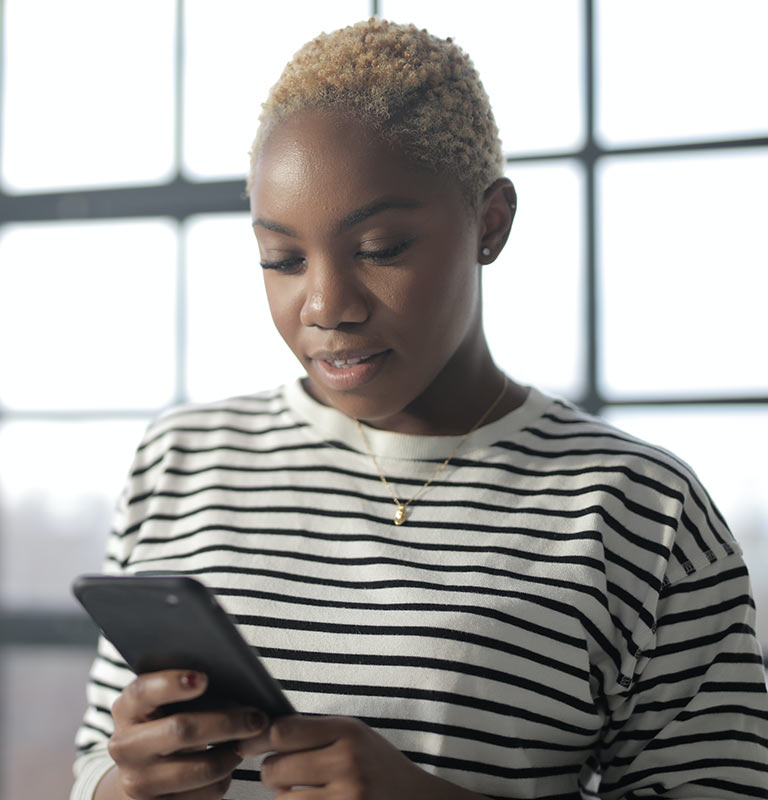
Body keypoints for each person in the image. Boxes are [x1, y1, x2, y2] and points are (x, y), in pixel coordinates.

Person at [70, 18, 768, 800]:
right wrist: (125, 786)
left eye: (379, 249)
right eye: (283, 259)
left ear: (490, 224)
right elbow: (98, 755)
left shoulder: (640, 509)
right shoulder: (183, 458)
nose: (325, 306)